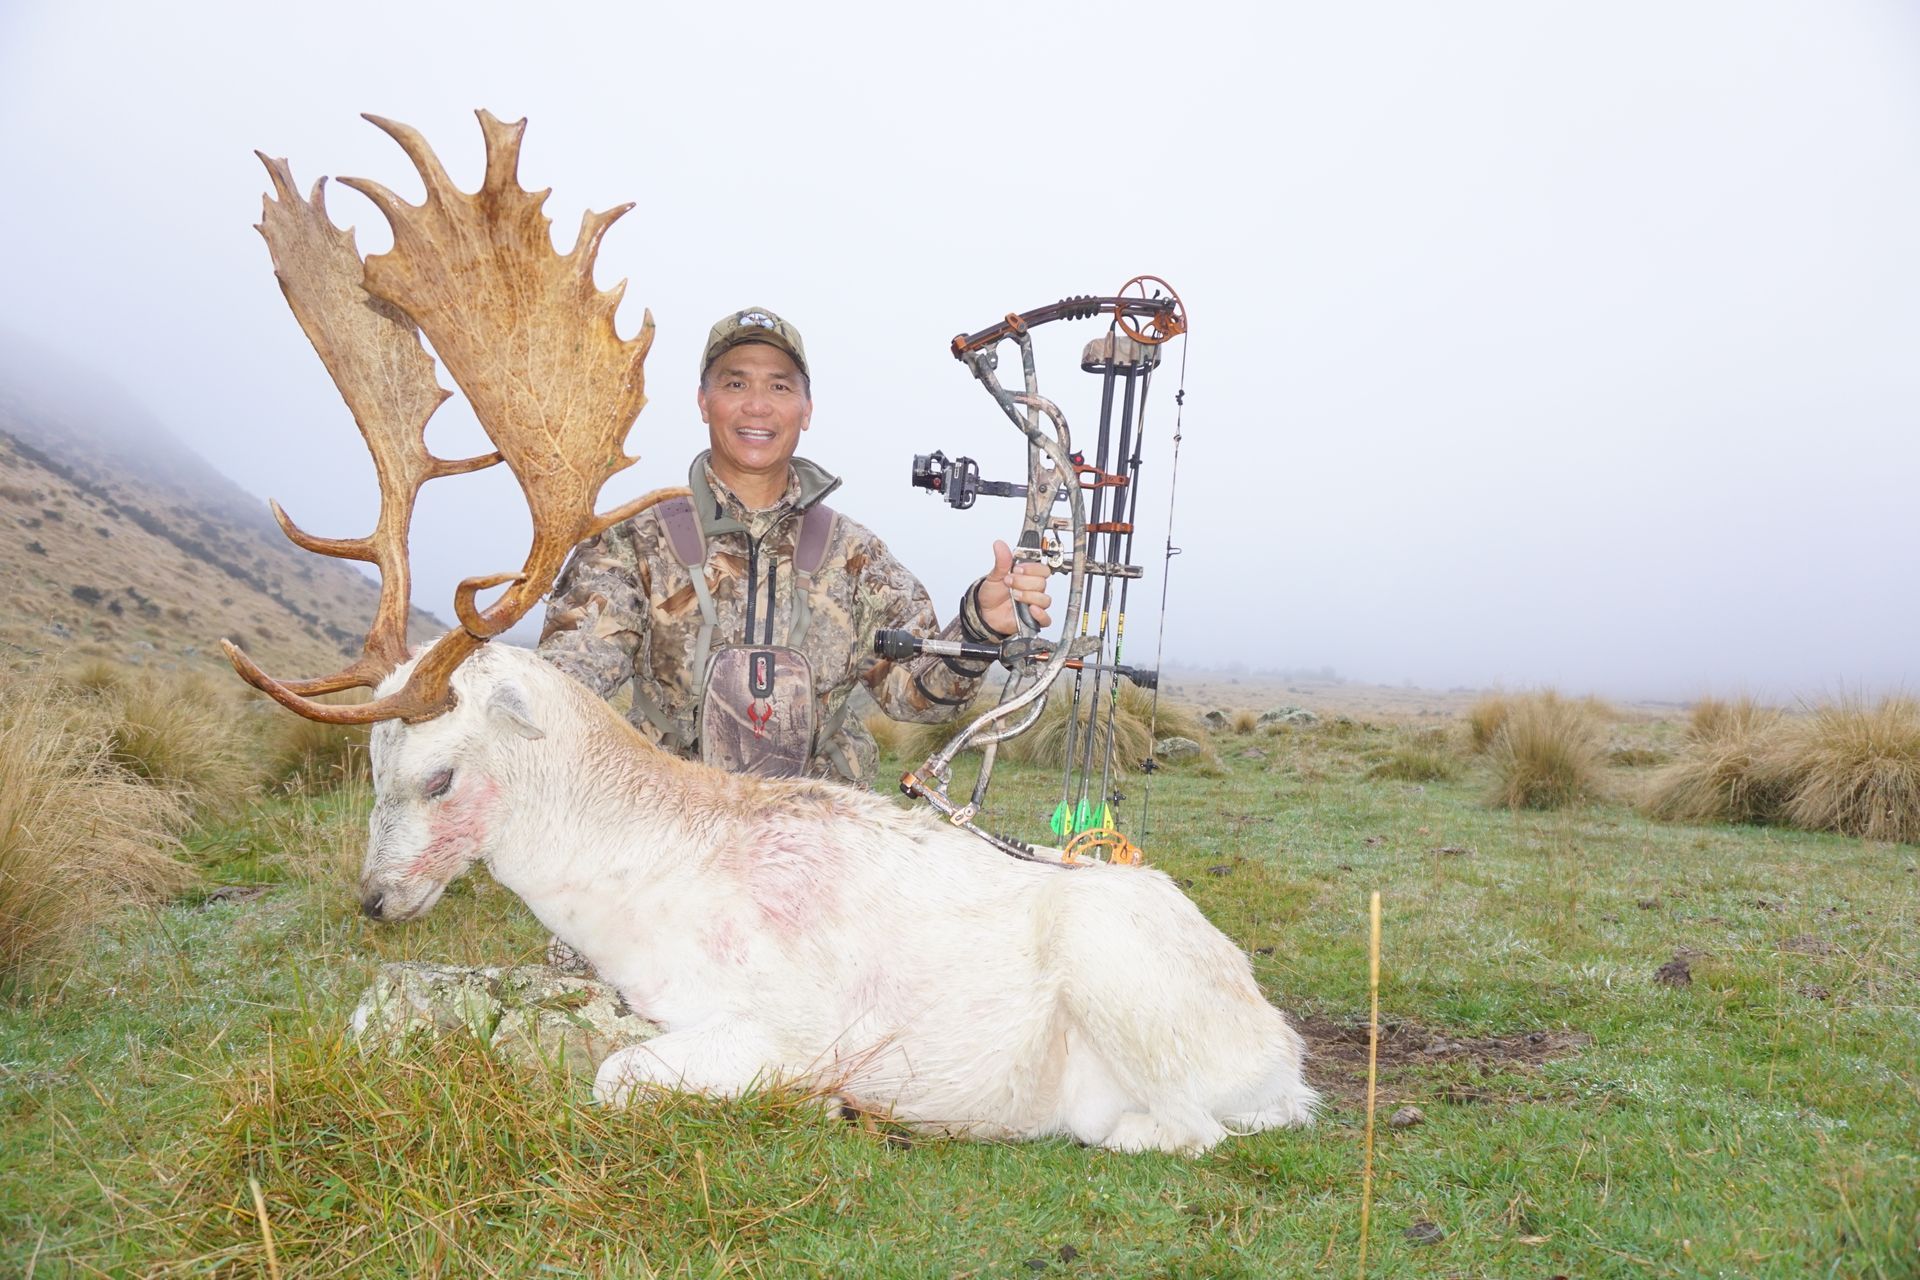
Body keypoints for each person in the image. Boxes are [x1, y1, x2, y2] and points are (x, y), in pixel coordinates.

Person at [538, 306, 1053, 786]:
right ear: (703, 402)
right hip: (670, 822)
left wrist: (978, 626)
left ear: (806, 410)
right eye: (735, 383)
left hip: (818, 828)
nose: (757, 405)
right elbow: (567, 680)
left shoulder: (854, 555)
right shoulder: (632, 542)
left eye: (779, 386)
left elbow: (916, 696)